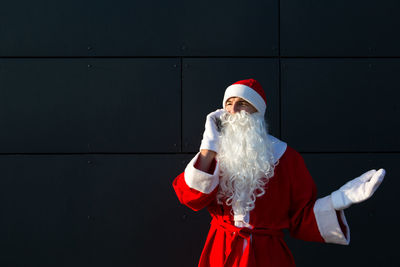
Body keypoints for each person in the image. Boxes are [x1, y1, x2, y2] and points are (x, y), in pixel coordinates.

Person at [172, 78, 385, 267]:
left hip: (267, 255)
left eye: (242, 103)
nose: (233, 109)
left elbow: (301, 218)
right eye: (228, 103)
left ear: (257, 112)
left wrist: (339, 199)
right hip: (222, 251)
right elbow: (192, 198)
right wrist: (208, 149)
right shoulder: (215, 154)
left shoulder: (286, 157)